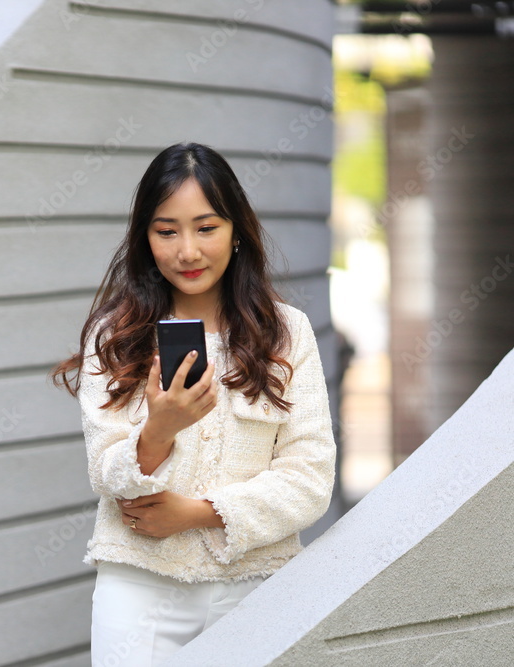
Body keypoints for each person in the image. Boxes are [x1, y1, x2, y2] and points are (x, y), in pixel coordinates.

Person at [51, 142, 336, 665]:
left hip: (260, 586)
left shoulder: (286, 333)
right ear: (145, 238)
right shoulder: (115, 336)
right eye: (167, 231)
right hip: (139, 588)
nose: (187, 251)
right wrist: (159, 431)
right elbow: (106, 474)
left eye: (206, 228)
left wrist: (200, 514)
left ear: (237, 232)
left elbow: (310, 479)